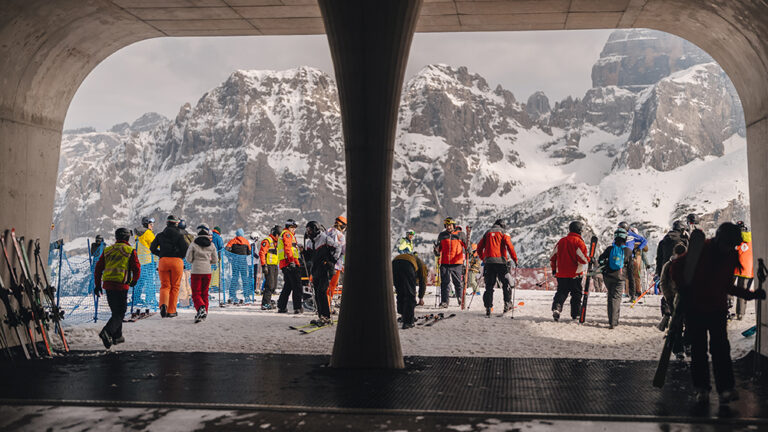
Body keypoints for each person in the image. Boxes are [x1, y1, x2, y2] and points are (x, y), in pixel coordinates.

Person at [669, 222, 766, 404]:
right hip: (696, 310)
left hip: (717, 310)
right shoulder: (701, 250)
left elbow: (728, 286)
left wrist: (751, 295)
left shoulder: (730, 255)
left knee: (721, 350)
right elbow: (676, 267)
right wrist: (684, 287)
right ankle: (702, 389)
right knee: (699, 351)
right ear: (720, 239)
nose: (731, 247)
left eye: (733, 245)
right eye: (729, 244)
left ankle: (726, 389)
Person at [94, 228, 140, 349]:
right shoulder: (130, 250)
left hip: (108, 285)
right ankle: (107, 331)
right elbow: (136, 268)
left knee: (116, 312)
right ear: (127, 238)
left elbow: (98, 268)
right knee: (121, 312)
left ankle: (117, 336)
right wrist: (134, 280)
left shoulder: (108, 250)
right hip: (121, 285)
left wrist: (97, 285)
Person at [476, 219, 518, 316]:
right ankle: (507, 304)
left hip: (489, 262)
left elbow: (479, 248)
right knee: (505, 283)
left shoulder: (487, 233)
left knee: (489, 286)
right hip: (501, 262)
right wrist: (515, 259)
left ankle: (488, 307)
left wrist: (484, 258)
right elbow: (510, 246)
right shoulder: (504, 233)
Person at [149, 215, 189, 318]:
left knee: (165, 285)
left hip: (163, 261)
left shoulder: (160, 235)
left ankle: (163, 304)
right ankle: (171, 311)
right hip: (177, 262)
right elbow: (185, 250)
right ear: (176, 223)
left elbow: (152, 248)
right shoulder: (180, 236)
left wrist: (161, 254)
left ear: (167, 223)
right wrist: (179, 256)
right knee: (175, 287)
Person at [550, 221, 589, 321]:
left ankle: (557, 308)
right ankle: (575, 314)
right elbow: (582, 259)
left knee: (562, 292)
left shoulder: (561, 241)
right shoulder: (578, 242)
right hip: (575, 273)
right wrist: (590, 259)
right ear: (579, 230)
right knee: (576, 294)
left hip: (561, 273)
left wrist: (554, 269)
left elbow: (553, 257)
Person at [303, 221, 340, 325]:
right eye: (307, 230)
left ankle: (326, 316)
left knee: (321, 292)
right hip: (316, 270)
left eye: (310, 230)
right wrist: (304, 252)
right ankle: (321, 316)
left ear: (315, 229)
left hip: (326, 268)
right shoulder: (310, 242)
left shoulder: (324, 238)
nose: (308, 232)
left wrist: (332, 261)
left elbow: (338, 247)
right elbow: (309, 257)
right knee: (317, 293)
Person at [185, 224, 218, 323]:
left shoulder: (194, 243)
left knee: (196, 293)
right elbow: (215, 260)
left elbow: (188, 258)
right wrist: (208, 262)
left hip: (196, 271)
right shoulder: (211, 245)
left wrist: (194, 261)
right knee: (204, 293)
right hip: (207, 271)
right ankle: (204, 313)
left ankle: (200, 308)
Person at [598, 228, 629, 329]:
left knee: (610, 297)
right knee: (616, 298)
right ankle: (613, 321)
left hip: (608, 276)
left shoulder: (610, 249)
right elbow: (630, 267)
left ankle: (612, 319)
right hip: (620, 277)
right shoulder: (627, 251)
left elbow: (600, 260)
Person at [434, 217, 467, 308]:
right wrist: (436, 250)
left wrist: (469, 250)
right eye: (447, 225)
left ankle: (460, 298)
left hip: (457, 263)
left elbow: (467, 246)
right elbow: (438, 250)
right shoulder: (442, 235)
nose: (448, 227)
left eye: (450, 225)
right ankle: (444, 302)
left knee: (457, 282)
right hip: (444, 262)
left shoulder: (460, 234)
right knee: (445, 283)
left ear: (454, 225)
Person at [392, 252, 428, 329]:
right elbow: (423, 282)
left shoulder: (415, 260)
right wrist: (421, 297)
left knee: (400, 293)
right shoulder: (423, 267)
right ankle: (408, 322)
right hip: (407, 265)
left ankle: (403, 316)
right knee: (410, 295)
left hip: (394, 264)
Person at [276, 219, 302, 313]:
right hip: (290, 263)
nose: (294, 229)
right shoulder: (287, 234)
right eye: (292, 227)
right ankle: (297, 307)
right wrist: (292, 261)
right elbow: (287, 248)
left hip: (285, 263)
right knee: (297, 286)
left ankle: (281, 306)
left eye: (294, 228)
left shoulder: (285, 234)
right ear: (288, 227)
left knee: (288, 286)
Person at [618, 221, 648, 302]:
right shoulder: (619, 234)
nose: (619, 229)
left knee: (630, 277)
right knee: (623, 276)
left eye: (620, 228)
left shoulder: (631, 235)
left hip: (629, 258)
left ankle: (632, 295)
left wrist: (638, 248)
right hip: (621, 258)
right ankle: (624, 294)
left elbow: (644, 241)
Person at [133, 216, 157, 308]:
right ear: (147, 225)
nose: (152, 226)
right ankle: (150, 300)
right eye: (151, 224)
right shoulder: (148, 233)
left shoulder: (138, 234)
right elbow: (154, 246)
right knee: (150, 281)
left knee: (140, 281)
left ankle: (136, 298)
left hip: (139, 260)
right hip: (148, 260)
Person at [732, 221, 754, 320]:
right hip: (746, 269)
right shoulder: (751, 239)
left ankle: (727, 307)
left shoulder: (733, 238)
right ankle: (740, 313)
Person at [326, 216, 347, 311]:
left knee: (325, 287)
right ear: (343, 226)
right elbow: (344, 250)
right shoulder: (340, 236)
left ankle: (324, 307)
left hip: (325, 264)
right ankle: (327, 309)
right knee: (331, 289)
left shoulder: (327, 231)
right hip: (335, 265)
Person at [225, 228, 252, 303]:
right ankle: (246, 296)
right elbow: (249, 252)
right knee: (244, 279)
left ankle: (232, 295)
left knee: (235, 278)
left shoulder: (232, 241)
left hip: (235, 263)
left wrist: (230, 257)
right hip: (243, 263)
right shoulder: (246, 241)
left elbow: (226, 250)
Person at [259, 226, 281, 310]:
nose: (279, 238)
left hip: (275, 265)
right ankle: (265, 303)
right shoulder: (267, 241)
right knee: (269, 285)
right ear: (275, 234)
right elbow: (262, 253)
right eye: (279, 236)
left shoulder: (276, 242)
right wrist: (264, 265)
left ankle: (268, 300)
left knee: (274, 285)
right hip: (268, 265)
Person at [177, 219, 194, 308]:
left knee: (182, 281)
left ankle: (184, 302)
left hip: (180, 260)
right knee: (188, 280)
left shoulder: (177, 236)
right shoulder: (189, 236)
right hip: (189, 262)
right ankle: (190, 297)